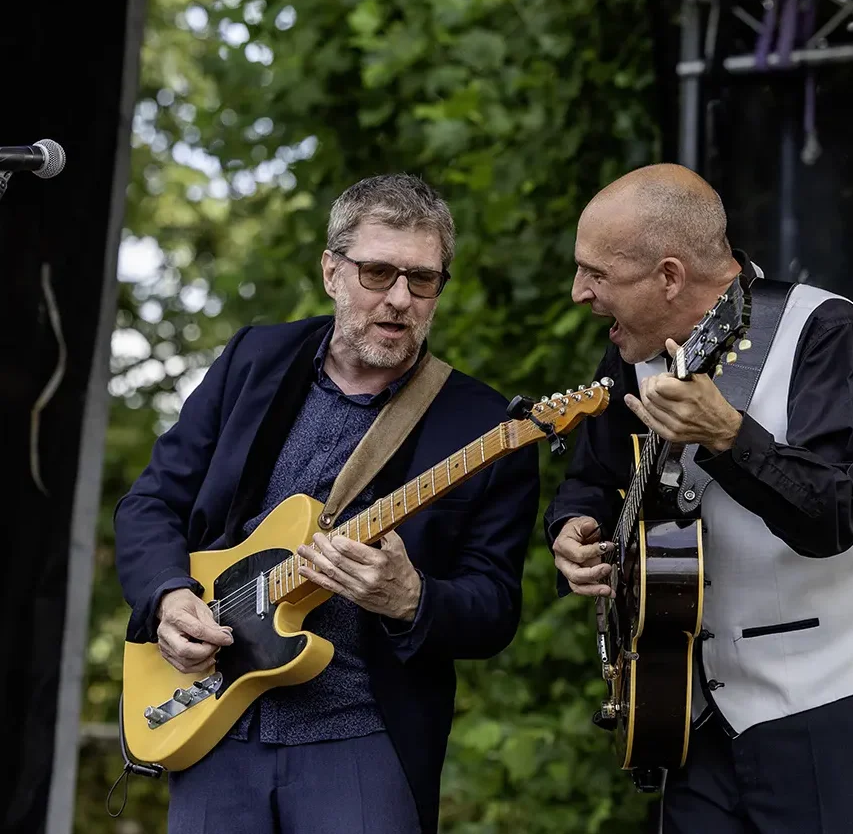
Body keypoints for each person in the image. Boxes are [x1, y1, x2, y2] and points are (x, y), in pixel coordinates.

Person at [114, 173, 540, 834]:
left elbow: (494, 608)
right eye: (377, 273)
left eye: (422, 280)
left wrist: (410, 597)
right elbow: (151, 503)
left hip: (360, 734)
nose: (399, 298)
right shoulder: (254, 358)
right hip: (210, 717)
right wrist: (169, 597)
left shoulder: (484, 428)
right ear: (331, 271)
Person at [544, 163, 853, 834]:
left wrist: (728, 436)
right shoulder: (632, 351)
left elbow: (835, 514)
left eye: (596, 273)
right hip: (685, 713)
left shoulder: (824, 334)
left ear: (669, 276)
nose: (578, 293)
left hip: (818, 711)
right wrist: (572, 524)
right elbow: (593, 476)